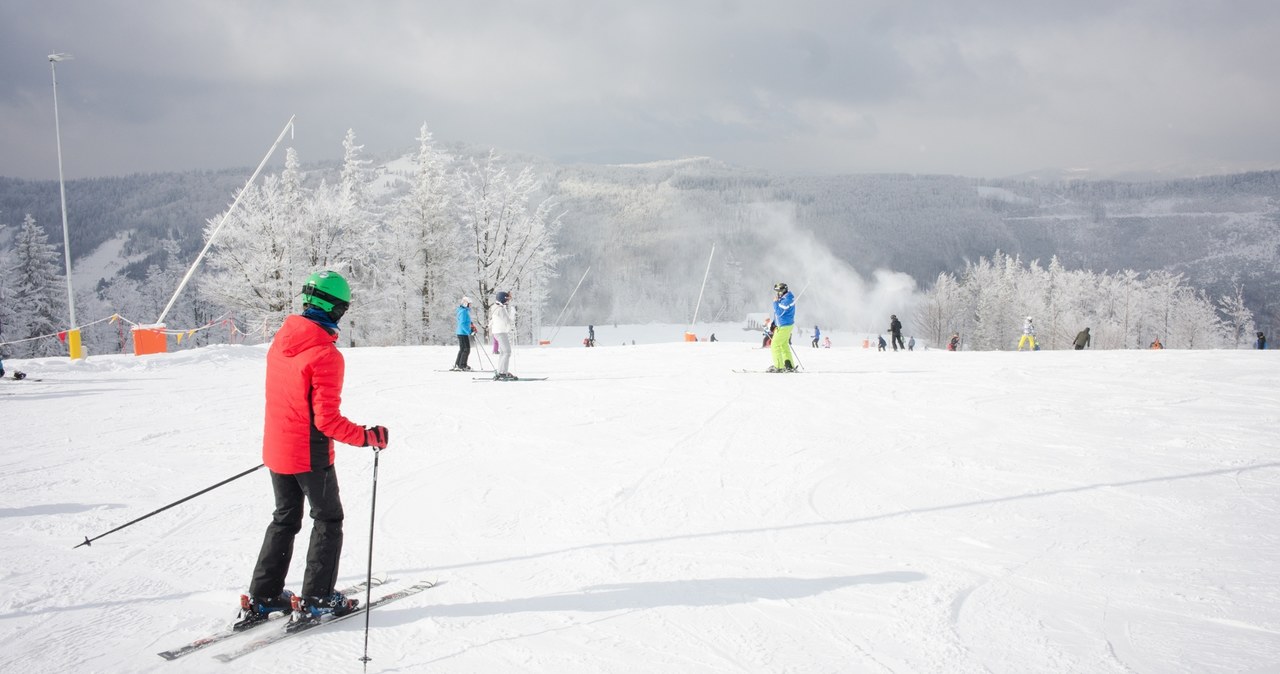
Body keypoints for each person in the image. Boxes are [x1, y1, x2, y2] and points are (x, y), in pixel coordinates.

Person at [240, 270, 389, 629]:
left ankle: (262, 597)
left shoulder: (282, 340)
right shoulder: (325, 354)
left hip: (277, 450)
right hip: (309, 454)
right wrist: (368, 436)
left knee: (285, 519)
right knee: (328, 519)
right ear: (337, 310)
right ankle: (317, 599)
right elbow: (326, 422)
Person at [489, 290, 518, 380]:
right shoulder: (500, 309)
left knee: (503, 352)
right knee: (507, 352)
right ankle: (502, 373)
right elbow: (508, 321)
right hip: (501, 332)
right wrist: (513, 313)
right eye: (506, 299)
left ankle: (501, 371)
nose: (507, 301)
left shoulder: (496, 307)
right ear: (502, 299)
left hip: (498, 332)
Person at [768, 283, 796, 372]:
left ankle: (779, 367)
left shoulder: (786, 300)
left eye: (778, 291)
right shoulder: (785, 298)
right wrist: (774, 323)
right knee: (783, 345)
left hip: (784, 326)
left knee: (775, 345)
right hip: (785, 325)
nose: (777, 293)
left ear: (782, 291)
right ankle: (789, 365)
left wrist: (775, 302)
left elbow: (779, 312)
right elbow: (778, 314)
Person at [452, 297, 476, 371]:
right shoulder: (463, 312)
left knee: (462, 349)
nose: (470, 305)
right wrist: (469, 332)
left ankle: (458, 364)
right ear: (465, 303)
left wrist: (471, 326)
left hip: (462, 332)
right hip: (463, 333)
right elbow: (462, 323)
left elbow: (466, 322)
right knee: (466, 349)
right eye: (469, 304)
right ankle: (462, 365)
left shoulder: (463, 311)